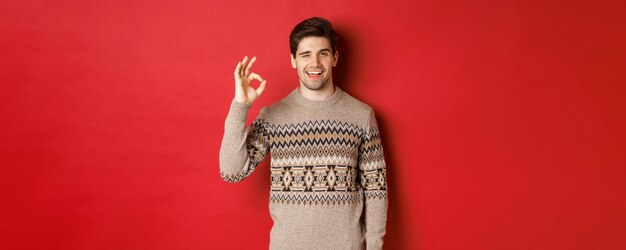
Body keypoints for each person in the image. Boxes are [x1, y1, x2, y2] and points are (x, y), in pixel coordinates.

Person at [219, 17, 388, 250]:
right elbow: (231, 172)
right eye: (305, 54)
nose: (315, 62)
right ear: (293, 60)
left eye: (323, 53)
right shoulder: (273, 116)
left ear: (335, 58)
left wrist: (375, 246)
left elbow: (376, 190)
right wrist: (240, 104)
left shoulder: (361, 116)